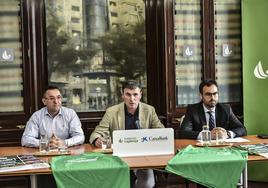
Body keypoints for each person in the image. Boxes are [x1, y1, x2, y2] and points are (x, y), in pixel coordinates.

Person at [90, 80, 164, 188]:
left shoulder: (149, 110)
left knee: (147, 184)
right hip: (119, 158)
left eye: (135, 94)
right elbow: (96, 133)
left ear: (140, 95)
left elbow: (161, 132)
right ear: (122, 95)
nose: (132, 99)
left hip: (143, 158)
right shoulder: (112, 112)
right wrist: (97, 139)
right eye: (128, 94)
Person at [177, 79, 247, 140]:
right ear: (201, 95)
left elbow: (242, 129)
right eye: (208, 94)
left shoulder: (226, 109)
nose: (213, 98)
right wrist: (208, 135)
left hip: (222, 148)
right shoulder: (193, 110)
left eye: (215, 94)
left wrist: (227, 134)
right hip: (201, 149)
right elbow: (183, 133)